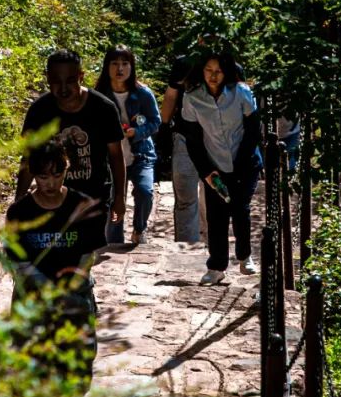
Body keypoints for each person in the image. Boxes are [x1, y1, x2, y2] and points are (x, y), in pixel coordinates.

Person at [5, 139, 106, 397]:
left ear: (67, 169)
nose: (50, 183)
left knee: (78, 366)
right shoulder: (20, 212)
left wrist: (71, 285)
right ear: (33, 175)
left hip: (75, 298)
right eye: (43, 176)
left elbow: (90, 254)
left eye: (57, 174)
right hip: (32, 301)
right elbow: (17, 261)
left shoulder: (82, 206)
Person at [16, 49, 126, 236]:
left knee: (84, 258)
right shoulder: (39, 112)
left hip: (93, 198)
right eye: (56, 82)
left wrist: (119, 197)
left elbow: (116, 156)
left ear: (81, 77)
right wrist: (19, 200)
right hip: (51, 198)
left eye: (70, 81)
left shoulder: (103, 108)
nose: (64, 88)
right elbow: (28, 159)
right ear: (48, 79)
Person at [181, 51, 263, 286]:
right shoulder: (192, 98)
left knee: (240, 207)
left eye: (218, 71)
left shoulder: (241, 93)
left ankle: (245, 256)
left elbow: (253, 131)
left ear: (226, 72)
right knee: (216, 215)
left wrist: (240, 166)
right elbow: (193, 139)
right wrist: (206, 171)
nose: (213, 76)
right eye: (209, 70)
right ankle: (216, 266)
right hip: (214, 164)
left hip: (245, 161)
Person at [94, 44, 161, 246]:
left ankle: (140, 229)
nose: (120, 69)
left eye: (125, 63)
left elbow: (155, 121)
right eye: (115, 64)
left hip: (140, 154)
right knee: (115, 197)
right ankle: (114, 242)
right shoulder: (99, 94)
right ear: (107, 67)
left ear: (131, 67)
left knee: (144, 191)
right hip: (111, 156)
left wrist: (137, 132)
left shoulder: (143, 93)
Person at [160, 52, 202, 244]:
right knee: (185, 197)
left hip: (221, 140)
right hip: (185, 136)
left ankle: (214, 248)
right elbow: (171, 95)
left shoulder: (231, 65)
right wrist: (164, 125)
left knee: (216, 198)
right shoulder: (184, 62)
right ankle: (186, 247)